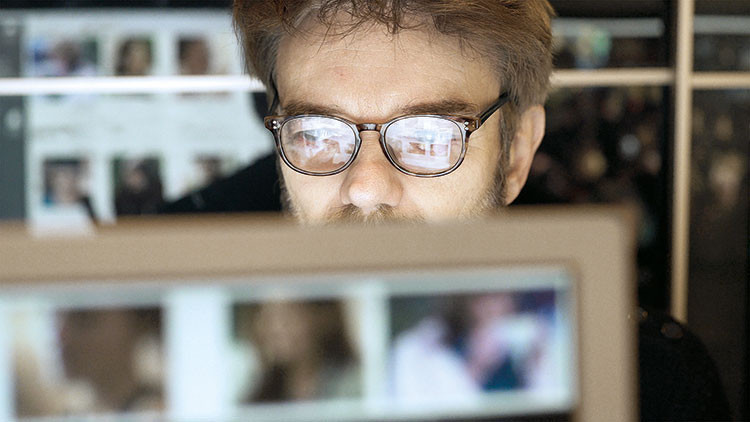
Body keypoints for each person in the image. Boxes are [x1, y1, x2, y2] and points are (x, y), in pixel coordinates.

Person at [164, 1, 731, 420]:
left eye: (428, 137)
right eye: (317, 133)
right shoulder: (187, 383)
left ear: (516, 155)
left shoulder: (644, 383)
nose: (366, 188)